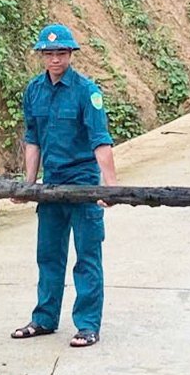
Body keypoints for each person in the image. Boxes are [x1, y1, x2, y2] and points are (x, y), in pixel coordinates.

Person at [9, 23, 115, 348]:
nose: (55, 59)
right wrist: (28, 184)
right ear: (42, 55)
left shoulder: (87, 92)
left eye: (62, 53)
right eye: (50, 53)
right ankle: (44, 319)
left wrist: (110, 187)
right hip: (51, 187)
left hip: (83, 187)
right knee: (49, 255)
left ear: (70, 55)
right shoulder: (34, 91)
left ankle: (87, 326)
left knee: (87, 257)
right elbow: (33, 140)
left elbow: (100, 141)